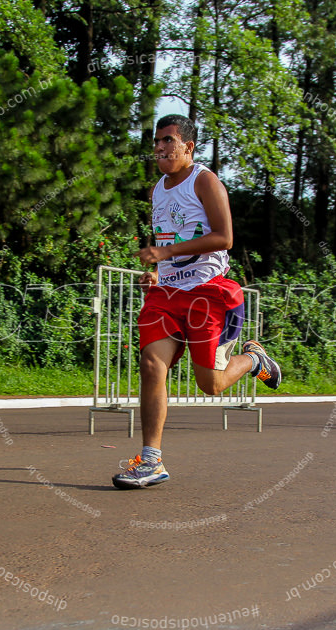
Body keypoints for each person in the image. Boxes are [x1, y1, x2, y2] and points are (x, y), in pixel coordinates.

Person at [112, 114, 281, 489]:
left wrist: (164, 250)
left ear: (187, 147)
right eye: (156, 142)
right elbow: (167, 238)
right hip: (166, 294)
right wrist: (159, 268)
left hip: (207, 292)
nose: (159, 148)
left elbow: (224, 238)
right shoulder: (157, 189)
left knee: (212, 384)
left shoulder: (205, 180)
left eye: (168, 141)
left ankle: (253, 358)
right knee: (152, 363)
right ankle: (151, 460)